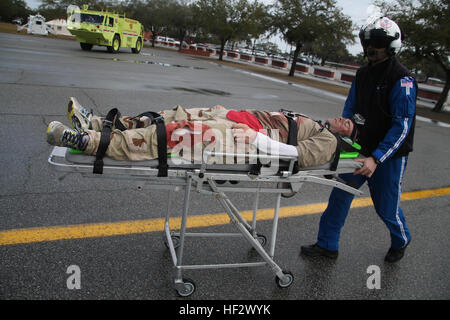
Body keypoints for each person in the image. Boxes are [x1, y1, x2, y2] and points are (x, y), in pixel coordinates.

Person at [300, 15, 417, 262]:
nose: (370, 48)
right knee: (340, 195)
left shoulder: (402, 80)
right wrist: (344, 134)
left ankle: (401, 239)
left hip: (388, 155)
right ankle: (327, 245)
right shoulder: (363, 74)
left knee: (386, 208)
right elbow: (350, 108)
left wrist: (375, 158)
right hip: (360, 147)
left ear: (391, 45)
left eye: (376, 43)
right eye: (367, 42)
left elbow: (402, 127)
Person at [46, 97, 356, 168]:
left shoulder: (329, 142)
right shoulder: (318, 123)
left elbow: (297, 155)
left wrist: (255, 138)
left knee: (174, 134)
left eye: (349, 125)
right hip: (233, 118)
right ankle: (97, 124)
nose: (343, 120)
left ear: (349, 138)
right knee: (168, 115)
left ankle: (89, 143)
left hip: (243, 138)